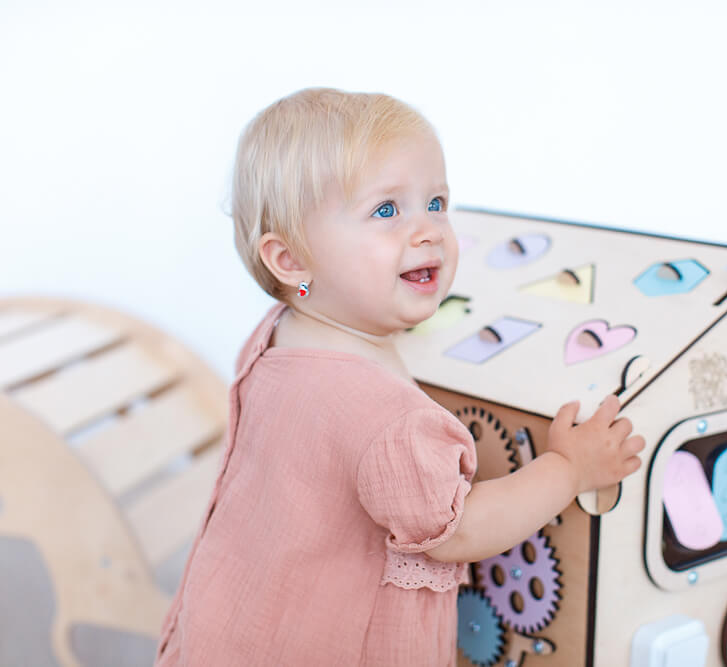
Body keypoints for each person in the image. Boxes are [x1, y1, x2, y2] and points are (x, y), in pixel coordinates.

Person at [154, 87, 645, 666]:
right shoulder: (393, 423)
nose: (429, 229)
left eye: (435, 203)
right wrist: (568, 469)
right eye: (387, 211)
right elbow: (459, 528)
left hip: (232, 626)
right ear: (291, 261)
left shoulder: (274, 336)